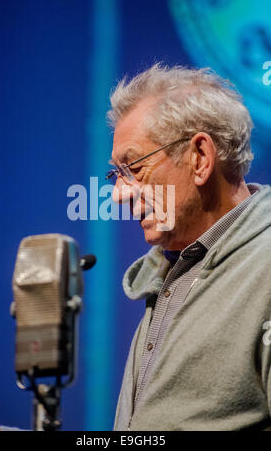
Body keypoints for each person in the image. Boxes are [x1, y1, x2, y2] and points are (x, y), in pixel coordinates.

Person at [106, 64, 271, 431]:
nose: (119, 194)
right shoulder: (172, 269)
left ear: (199, 157)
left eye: (133, 167)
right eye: (115, 175)